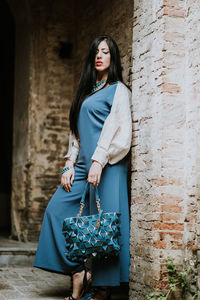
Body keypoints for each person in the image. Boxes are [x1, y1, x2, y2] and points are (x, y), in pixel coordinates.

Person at [33, 35, 132, 300]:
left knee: (105, 227)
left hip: (109, 167)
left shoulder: (119, 90)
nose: (100, 55)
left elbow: (121, 134)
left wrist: (99, 161)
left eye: (106, 51)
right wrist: (69, 164)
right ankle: (79, 272)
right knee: (55, 211)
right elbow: (76, 134)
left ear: (113, 58)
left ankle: (103, 290)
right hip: (82, 167)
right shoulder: (87, 93)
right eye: (96, 51)